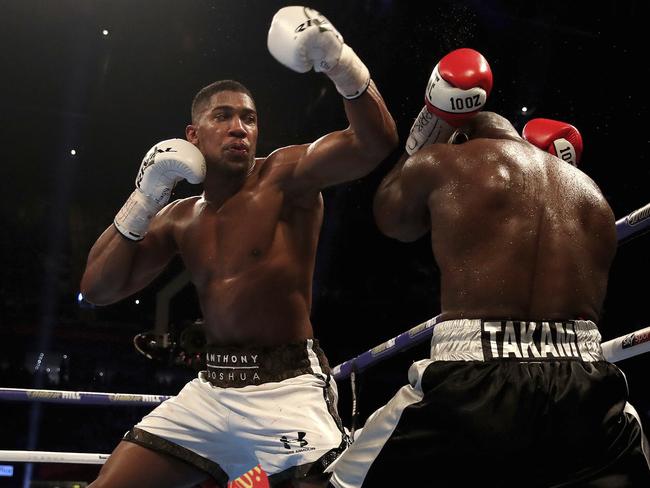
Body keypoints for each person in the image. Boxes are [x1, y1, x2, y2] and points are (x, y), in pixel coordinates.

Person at [80, 6, 397, 487]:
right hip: (211, 391)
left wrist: (339, 62)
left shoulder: (284, 176)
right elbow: (98, 289)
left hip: (286, 387)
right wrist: (144, 197)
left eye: (248, 119)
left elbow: (374, 144)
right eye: (223, 117)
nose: (238, 128)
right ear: (192, 135)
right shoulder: (179, 216)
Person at [327, 48, 650, 487]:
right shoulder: (592, 196)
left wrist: (426, 131)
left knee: (336, 482)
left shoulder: (449, 161)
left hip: (474, 380)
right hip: (586, 384)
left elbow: (392, 219)